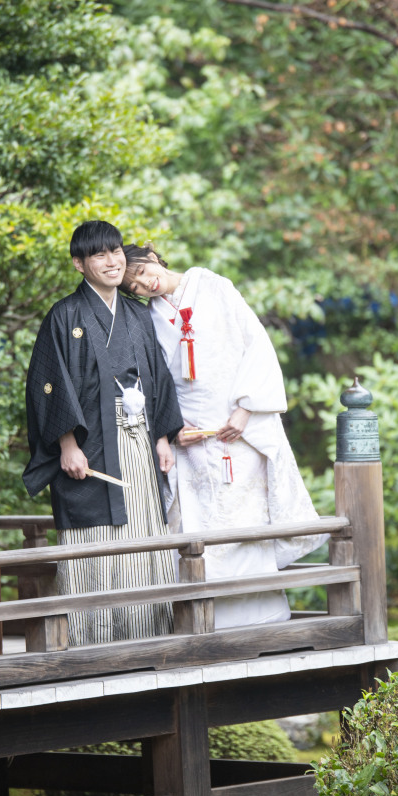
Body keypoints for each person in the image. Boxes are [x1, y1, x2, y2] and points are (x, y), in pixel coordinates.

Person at [122, 243, 325, 629]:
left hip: (238, 428)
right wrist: (172, 427)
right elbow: (156, 378)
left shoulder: (215, 287)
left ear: (153, 258)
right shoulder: (149, 317)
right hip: (194, 437)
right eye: (134, 287)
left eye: (143, 274)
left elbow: (256, 344)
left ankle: (261, 615)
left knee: (245, 521)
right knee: (198, 526)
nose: (145, 285)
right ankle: (205, 620)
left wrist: (246, 409)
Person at [23, 221, 184, 646]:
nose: (112, 261)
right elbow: (49, 383)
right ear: (79, 264)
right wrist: (67, 444)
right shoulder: (65, 315)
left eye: (115, 252)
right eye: (99, 254)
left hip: (139, 439)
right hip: (90, 447)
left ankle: (148, 636)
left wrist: (163, 437)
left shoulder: (136, 312)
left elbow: (157, 376)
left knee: (143, 531)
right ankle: (91, 641)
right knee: (95, 537)